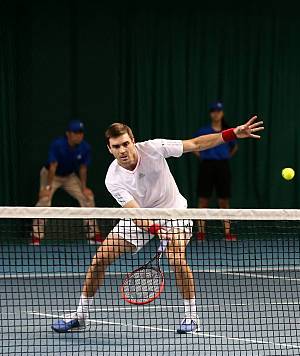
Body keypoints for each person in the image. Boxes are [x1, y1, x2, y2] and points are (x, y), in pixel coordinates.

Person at [50, 116, 264, 334]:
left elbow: (196, 144)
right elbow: (136, 214)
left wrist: (232, 133)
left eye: (126, 143)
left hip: (174, 211)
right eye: (116, 146)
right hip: (142, 217)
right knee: (100, 259)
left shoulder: (154, 148)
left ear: (133, 140)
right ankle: (80, 315)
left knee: (176, 258)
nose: (123, 150)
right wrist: (156, 229)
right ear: (109, 149)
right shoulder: (113, 178)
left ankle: (191, 317)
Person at [32, 120, 103, 245]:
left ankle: (93, 235)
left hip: (69, 176)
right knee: (44, 199)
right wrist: (47, 187)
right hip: (50, 175)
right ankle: (36, 236)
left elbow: (83, 168)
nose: (79, 135)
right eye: (75, 132)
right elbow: (53, 166)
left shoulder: (85, 147)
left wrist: (84, 187)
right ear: (68, 134)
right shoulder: (58, 144)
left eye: (80, 133)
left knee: (88, 197)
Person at [193, 102, 238, 241]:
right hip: (207, 166)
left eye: (218, 111)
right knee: (203, 200)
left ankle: (228, 234)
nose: (216, 113)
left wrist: (223, 157)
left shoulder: (228, 131)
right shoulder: (203, 131)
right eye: (213, 111)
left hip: (223, 166)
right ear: (210, 113)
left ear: (222, 113)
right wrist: (206, 157)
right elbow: (195, 146)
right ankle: (201, 233)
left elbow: (234, 147)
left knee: (224, 201)